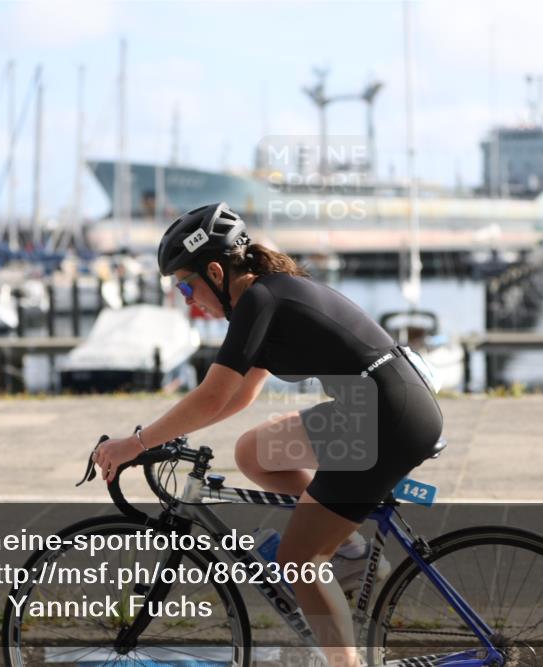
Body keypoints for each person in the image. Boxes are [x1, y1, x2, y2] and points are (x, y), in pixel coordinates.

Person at [93, 202, 444, 667]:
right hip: (379, 406)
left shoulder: (261, 299)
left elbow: (212, 395)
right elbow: (238, 396)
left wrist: (135, 443)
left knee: (298, 562)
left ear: (215, 271)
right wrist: (155, 438)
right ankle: (351, 552)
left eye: (185, 284)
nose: (185, 298)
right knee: (254, 452)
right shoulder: (265, 297)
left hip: (383, 417)